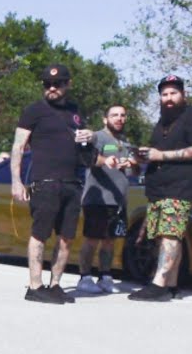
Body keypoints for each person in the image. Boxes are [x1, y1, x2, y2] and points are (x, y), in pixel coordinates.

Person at [10, 64, 91, 304]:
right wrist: (16, 181)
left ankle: (55, 284)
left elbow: (84, 145)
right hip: (45, 182)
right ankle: (35, 286)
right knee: (40, 234)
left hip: (72, 183)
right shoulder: (34, 111)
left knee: (66, 237)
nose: (52, 88)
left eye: (57, 84)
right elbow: (18, 146)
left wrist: (90, 136)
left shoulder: (75, 112)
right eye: (47, 84)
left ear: (68, 84)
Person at [128, 74, 192, 302]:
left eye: (174, 93)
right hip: (159, 190)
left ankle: (158, 284)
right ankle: (172, 285)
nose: (169, 98)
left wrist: (161, 155)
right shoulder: (162, 123)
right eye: (164, 94)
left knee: (170, 235)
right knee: (168, 236)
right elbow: (156, 154)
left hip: (181, 187)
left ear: (184, 94)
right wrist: (143, 157)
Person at [75, 104, 135, 295]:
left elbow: (133, 170)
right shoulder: (99, 137)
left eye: (122, 115)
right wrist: (103, 158)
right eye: (114, 115)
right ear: (105, 119)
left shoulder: (124, 141)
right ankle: (84, 278)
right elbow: (89, 151)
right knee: (92, 240)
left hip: (118, 201)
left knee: (110, 241)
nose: (119, 118)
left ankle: (105, 276)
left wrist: (132, 164)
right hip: (97, 199)